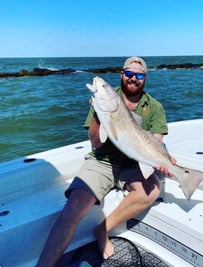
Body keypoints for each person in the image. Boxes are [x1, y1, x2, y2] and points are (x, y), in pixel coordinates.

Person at [36, 57, 175, 267]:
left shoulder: (155, 107)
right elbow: (95, 143)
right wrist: (99, 116)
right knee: (73, 207)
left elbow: (156, 141)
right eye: (129, 74)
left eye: (139, 75)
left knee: (152, 190)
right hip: (103, 160)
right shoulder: (106, 100)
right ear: (122, 75)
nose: (133, 79)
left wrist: (162, 159)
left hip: (133, 163)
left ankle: (103, 228)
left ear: (145, 78)